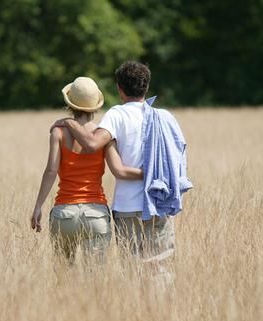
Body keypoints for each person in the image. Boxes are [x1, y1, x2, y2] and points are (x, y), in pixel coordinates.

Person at [52, 61, 191, 275]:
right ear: (146, 86)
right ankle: (162, 308)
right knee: (160, 268)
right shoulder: (166, 118)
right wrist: (158, 176)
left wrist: (69, 123)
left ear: (119, 89)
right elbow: (179, 159)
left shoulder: (116, 115)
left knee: (132, 270)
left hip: (127, 207)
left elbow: (92, 144)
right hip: (159, 202)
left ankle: (135, 308)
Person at [31, 76, 143, 263]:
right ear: (95, 106)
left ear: (70, 104)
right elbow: (119, 169)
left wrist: (38, 206)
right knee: (96, 282)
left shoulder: (57, 132)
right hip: (96, 214)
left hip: (64, 213)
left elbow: (51, 171)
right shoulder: (104, 133)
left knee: (64, 278)